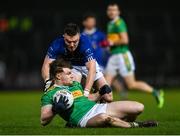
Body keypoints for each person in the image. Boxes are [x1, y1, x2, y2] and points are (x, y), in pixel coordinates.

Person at [40, 59, 158, 128]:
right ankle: (138, 125)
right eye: (69, 73)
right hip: (83, 119)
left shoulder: (74, 84)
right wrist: (56, 109)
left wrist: (100, 93)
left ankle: (122, 123)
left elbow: (87, 99)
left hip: (97, 107)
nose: (72, 75)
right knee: (105, 118)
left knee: (138, 107)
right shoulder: (50, 94)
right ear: (58, 75)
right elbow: (43, 120)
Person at [105, 3, 164, 108]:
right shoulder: (110, 24)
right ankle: (103, 108)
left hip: (123, 57)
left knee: (131, 84)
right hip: (113, 57)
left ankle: (156, 92)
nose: (111, 12)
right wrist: (109, 46)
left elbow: (125, 40)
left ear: (118, 12)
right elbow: (113, 40)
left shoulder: (119, 23)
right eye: (110, 10)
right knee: (105, 83)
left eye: (114, 10)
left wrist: (111, 43)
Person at [41, 23, 112, 102]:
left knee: (108, 97)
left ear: (79, 36)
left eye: (75, 41)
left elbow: (92, 69)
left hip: (87, 66)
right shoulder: (57, 44)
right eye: (68, 41)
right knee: (76, 94)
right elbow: (46, 64)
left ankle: (97, 95)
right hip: (72, 67)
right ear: (64, 36)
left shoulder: (85, 43)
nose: (72, 45)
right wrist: (47, 81)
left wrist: (86, 92)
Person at [82, 13, 125, 97]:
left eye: (93, 21)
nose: (92, 23)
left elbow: (108, 45)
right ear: (84, 23)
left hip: (101, 62)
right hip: (88, 63)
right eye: (90, 21)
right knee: (98, 80)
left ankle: (123, 95)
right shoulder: (81, 35)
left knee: (106, 79)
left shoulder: (100, 34)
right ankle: (99, 97)